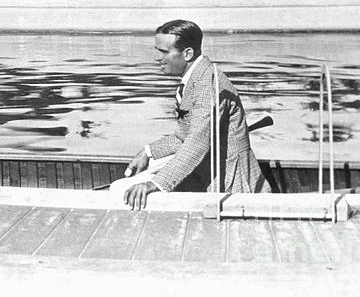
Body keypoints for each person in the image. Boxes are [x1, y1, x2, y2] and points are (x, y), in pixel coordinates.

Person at [111, 19, 270, 209]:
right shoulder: (197, 77)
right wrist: (148, 152)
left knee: (122, 191)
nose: (157, 58)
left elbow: (196, 143)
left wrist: (155, 184)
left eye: (163, 51)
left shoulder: (207, 85)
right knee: (122, 188)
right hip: (207, 170)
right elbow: (185, 137)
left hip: (230, 185)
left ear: (187, 53)